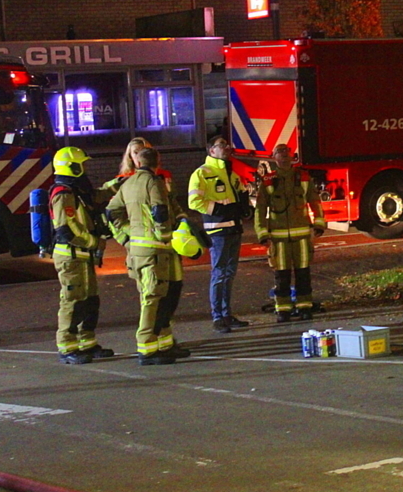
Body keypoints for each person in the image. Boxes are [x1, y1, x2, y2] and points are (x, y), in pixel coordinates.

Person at [107, 148, 188, 364]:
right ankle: (147, 350)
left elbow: (111, 211)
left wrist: (126, 235)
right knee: (153, 298)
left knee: (155, 296)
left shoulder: (128, 183)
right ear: (157, 161)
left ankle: (161, 344)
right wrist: (166, 235)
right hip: (156, 250)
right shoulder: (154, 182)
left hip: (138, 250)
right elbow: (159, 210)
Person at [49, 147, 114, 364]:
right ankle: (67, 347)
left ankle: (87, 342)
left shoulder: (76, 190)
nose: (85, 169)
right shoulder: (63, 194)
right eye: (82, 165)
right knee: (72, 302)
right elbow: (67, 229)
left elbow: (95, 198)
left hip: (82, 256)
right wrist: (94, 242)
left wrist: (117, 184)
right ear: (72, 167)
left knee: (89, 300)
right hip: (70, 257)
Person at [254, 143, 326, 322]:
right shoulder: (268, 181)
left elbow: (315, 201)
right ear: (273, 157)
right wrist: (262, 233)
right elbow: (260, 209)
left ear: (292, 155)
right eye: (280, 151)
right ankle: (283, 309)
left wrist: (318, 224)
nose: (284, 154)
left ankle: (304, 307)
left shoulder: (302, 177)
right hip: (278, 239)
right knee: (282, 275)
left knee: (303, 273)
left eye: (287, 151)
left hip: (301, 236)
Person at [188, 136, 250, 334]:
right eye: (221, 145)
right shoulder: (202, 173)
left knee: (229, 274)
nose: (226, 148)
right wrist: (220, 210)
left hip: (234, 229)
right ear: (211, 150)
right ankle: (218, 317)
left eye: (226, 144)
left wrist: (244, 206)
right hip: (218, 231)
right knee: (219, 273)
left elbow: (239, 195)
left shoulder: (232, 174)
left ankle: (226, 314)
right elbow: (194, 202)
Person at [104, 137, 174, 194]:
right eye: (136, 152)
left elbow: (171, 199)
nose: (139, 156)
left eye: (143, 151)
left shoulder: (163, 175)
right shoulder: (123, 179)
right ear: (130, 156)